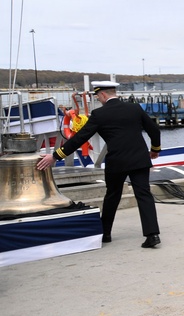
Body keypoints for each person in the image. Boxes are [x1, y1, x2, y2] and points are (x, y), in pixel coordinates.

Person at [37, 81, 162, 248]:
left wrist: (55, 155)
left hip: (117, 161)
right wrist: (155, 149)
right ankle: (152, 235)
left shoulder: (99, 114)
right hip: (139, 159)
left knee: (112, 196)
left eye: (97, 97)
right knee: (144, 194)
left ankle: (106, 233)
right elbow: (154, 130)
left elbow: (80, 138)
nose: (98, 99)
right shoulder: (134, 108)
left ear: (102, 94)